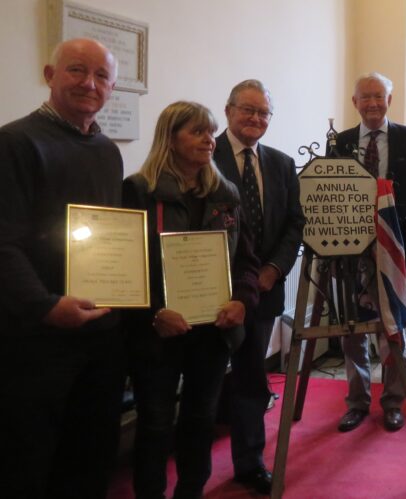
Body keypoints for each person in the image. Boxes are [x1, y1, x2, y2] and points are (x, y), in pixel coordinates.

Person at [0, 38, 123, 499]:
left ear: (112, 87)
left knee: (91, 457)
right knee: (29, 463)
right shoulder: (14, 142)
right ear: (51, 76)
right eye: (76, 70)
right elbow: (3, 242)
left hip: (100, 335)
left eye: (102, 76)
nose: (89, 84)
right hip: (37, 340)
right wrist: (46, 306)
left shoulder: (107, 150)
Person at [123, 101, 260, 499]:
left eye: (211, 131)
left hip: (213, 330)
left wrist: (242, 302)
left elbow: (247, 262)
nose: (209, 140)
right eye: (197, 132)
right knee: (155, 423)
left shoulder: (226, 193)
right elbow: (125, 266)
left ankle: (190, 492)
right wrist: (153, 313)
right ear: (171, 137)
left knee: (201, 420)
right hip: (159, 333)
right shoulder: (139, 191)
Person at [212, 79, 304, 495]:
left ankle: (249, 462)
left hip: (264, 292)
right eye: (247, 110)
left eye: (264, 113)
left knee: (251, 379)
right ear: (228, 110)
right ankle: (193, 464)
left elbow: (293, 225)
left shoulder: (282, 164)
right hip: (212, 293)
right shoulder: (201, 155)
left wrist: (273, 269)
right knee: (206, 380)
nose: (255, 119)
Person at [335, 72, 406, 433]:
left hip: (395, 248)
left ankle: (392, 402)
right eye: (365, 97)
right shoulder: (339, 142)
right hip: (348, 251)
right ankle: (356, 402)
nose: (373, 103)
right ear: (354, 102)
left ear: (390, 99)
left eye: (379, 96)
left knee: (394, 327)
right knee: (352, 329)